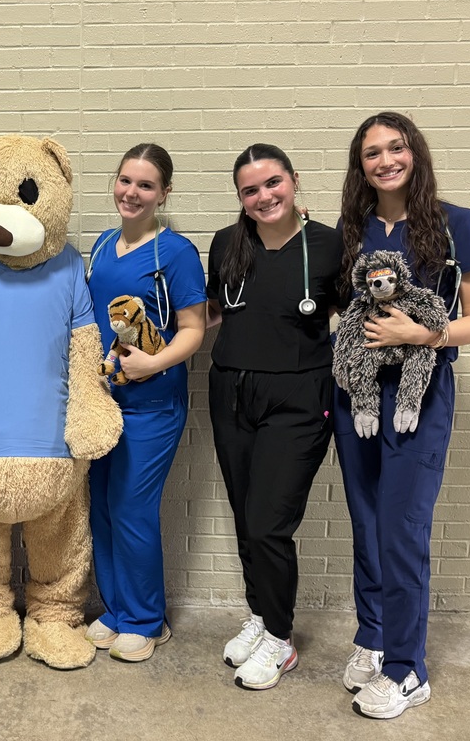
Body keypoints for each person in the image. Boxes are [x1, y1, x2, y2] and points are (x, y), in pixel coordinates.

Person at [334, 112, 470, 719]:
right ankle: (373, 638)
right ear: (361, 167)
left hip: (419, 401)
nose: (385, 160)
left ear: (415, 153)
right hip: (361, 401)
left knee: (402, 533)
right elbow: (343, 306)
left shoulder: (455, 225)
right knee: (368, 525)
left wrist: (423, 333)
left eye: (395, 147)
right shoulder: (355, 228)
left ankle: (407, 671)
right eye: (371, 153)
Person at [205, 144, 343, 690]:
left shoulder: (329, 245)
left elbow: (347, 315)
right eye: (250, 190)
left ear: (294, 181)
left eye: (273, 183)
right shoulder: (226, 243)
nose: (264, 196)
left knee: (269, 524)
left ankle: (281, 640)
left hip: (300, 399)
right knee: (245, 518)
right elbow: (214, 311)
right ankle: (260, 617)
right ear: (240, 197)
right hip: (231, 391)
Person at [84, 143, 206, 662]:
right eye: (125, 181)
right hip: (102, 404)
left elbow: (194, 330)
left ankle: (146, 620)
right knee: (104, 512)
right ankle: (116, 610)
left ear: (164, 193)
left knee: (133, 510)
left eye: (146, 185)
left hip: (153, 407)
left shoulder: (175, 253)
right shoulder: (102, 244)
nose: (131, 193)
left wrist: (151, 365)